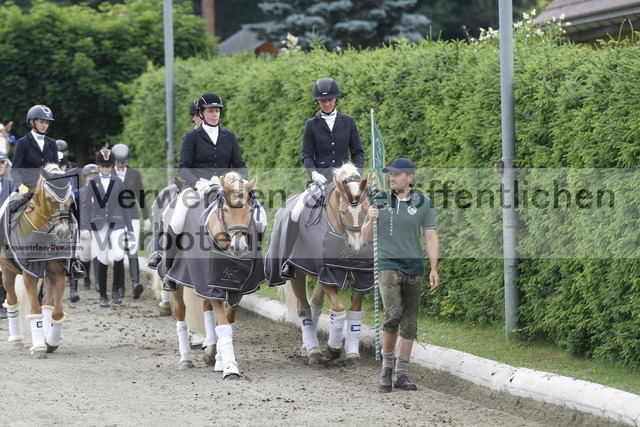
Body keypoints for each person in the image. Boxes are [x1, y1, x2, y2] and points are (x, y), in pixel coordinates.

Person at [362, 157, 440, 392]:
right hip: (387, 264)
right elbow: (365, 237)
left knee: (409, 323)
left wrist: (434, 268)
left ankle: (402, 375)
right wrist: (370, 219)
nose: (392, 177)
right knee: (393, 315)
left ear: (410, 177)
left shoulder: (424, 202)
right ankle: (386, 369)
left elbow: (430, 237)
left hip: (414, 267)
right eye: (390, 174)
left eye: (396, 174)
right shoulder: (379, 199)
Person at [158, 93, 250, 292]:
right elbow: (184, 167)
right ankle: (169, 270)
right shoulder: (192, 137)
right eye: (210, 111)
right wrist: (197, 183)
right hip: (198, 187)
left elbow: (239, 164)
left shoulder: (229, 136)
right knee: (177, 220)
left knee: (252, 213)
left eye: (217, 111)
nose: (214, 114)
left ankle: (250, 259)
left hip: (225, 188)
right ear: (201, 114)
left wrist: (240, 181)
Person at [280, 77, 365, 279]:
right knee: (295, 213)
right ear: (318, 102)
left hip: (346, 182)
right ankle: (289, 260)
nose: (327, 103)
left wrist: (356, 173)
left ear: (336, 100)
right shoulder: (311, 125)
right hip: (321, 181)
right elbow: (307, 156)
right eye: (323, 101)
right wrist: (313, 173)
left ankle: (365, 254)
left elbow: (358, 152)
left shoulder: (348, 122)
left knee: (363, 208)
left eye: (330, 100)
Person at [80, 148, 133, 308]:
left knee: (118, 255)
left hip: (117, 221)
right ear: (99, 166)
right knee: (102, 257)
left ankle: (116, 290)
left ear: (112, 166)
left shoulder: (118, 181)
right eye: (103, 166)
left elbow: (125, 204)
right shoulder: (92, 182)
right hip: (99, 222)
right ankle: (103, 295)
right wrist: (85, 227)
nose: (105, 169)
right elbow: (86, 205)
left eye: (108, 166)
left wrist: (129, 227)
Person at [112, 143, 149, 300]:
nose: (121, 165)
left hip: (132, 216)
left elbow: (141, 196)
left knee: (132, 249)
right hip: (115, 217)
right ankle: (120, 286)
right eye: (118, 162)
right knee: (119, 251)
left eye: (123, 162)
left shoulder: (134, 174)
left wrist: (146, 216)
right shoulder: (109, 175)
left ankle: (135, 283)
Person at [12, 105, 59, 191]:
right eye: (41, 122)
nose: (45, 125)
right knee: (12, 200)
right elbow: (15, 171)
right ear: (31, 122)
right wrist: (23, 188)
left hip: (48, 189)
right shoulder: (22, 142)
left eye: (47, 123)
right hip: (27, 188)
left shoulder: (52, 143)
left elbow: (56, 168)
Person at [77, 164, 99, 291]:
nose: (92, 178)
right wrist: (82, 227)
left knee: (97, 254)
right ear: (85, 178)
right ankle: (86, 280)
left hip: (97, 227)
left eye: (95, 176)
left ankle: (98, 281)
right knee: (84, 255)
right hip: (83, 227)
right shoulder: (80, 193)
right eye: (90, 176)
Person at [0, 152, 15, 320]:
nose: (0, 166)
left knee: (5, 268)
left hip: (5, 231)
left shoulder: (11, 183)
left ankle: (3, 303)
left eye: (2, 163)